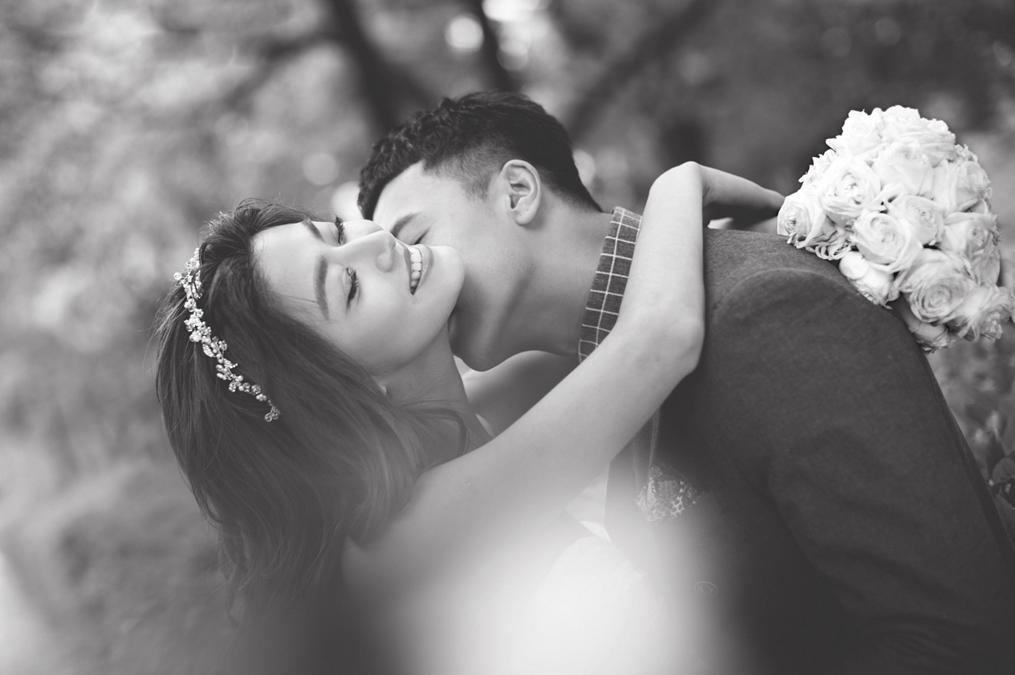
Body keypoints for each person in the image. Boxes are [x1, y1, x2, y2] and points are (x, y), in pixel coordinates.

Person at [358, 90, 1015, 674]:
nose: (418, 272)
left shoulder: (764, 306)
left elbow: (956, 638)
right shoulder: (609, 375)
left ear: (518, 192)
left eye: (416, 238)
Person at [154, 164, 775, 674]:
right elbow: (659, 336)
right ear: (335, 390)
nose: (376, 243)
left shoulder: (482, 409)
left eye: (337, 230)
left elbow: (609, 316)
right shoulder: (394, 536)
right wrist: (678, 188)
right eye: (348, 286)